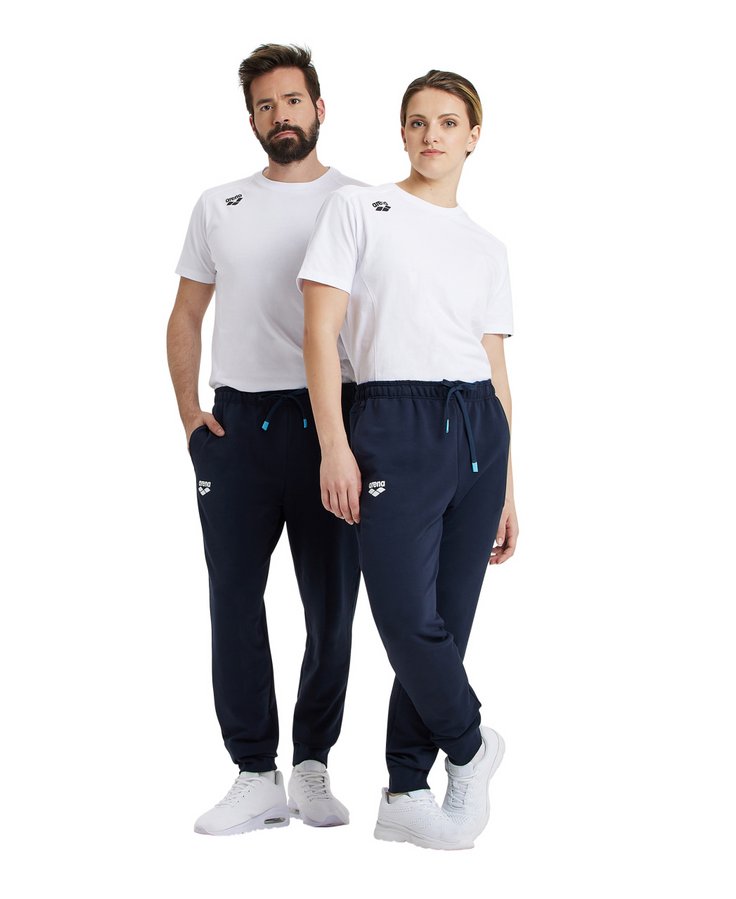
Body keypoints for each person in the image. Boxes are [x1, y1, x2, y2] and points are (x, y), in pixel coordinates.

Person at [299, 69, 518, 851]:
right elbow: (319, 332)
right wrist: (334, 444)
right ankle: (472, 743)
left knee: (448, 621)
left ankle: (406, 787)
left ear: (473, 135)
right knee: (403, 614)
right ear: (402, 133)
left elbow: (495, 366)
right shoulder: (359, 210)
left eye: (449, 122)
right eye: (419, 121)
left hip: (477, 427)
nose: (432, 135)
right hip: (391, 419)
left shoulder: (486, 247)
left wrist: (508, 487)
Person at [167, 44, 363, 836]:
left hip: (333, 424)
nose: (281, 115)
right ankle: (255, 771)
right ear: (252, 118)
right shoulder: (219, 204)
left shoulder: (361, 203)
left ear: (319, 108)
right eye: (265, 105)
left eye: (292, 100)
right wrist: (191, 415)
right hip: (238, 427)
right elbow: (186, 314)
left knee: (332, 606)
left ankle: (312, 763)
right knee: (233, 600)